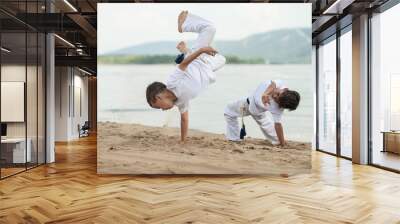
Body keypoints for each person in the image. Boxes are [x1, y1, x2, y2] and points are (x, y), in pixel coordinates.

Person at [146, 11, 226, 143]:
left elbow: (184, 64)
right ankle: (185, 51)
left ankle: (184, 27)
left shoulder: (172, 82)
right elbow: (184, 119)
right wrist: (183, 141)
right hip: (207, 68)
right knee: (223, 59)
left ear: (158, 97)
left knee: (210, 28)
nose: (162, 110)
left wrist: (201, 50)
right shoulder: (180, 102)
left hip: (197, 59)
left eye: (159, 106)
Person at [224, 80, 300, 146]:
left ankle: (234, 139)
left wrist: (282, 143)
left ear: (281, 105)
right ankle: (235, 138)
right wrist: (265, 94)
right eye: (278, 94)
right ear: (285, 90)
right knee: (265, 122)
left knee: (228, 111)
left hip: (254, 109)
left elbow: (278, 124)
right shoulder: (279, 84)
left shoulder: (278, 109)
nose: (275, 97)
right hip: (251, 106)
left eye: (277, 100)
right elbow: (273, 84)